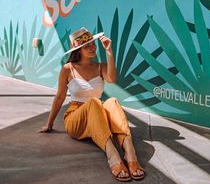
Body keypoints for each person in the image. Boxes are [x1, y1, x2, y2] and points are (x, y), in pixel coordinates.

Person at [39, 27, 145, 182]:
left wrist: (109, 51)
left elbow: (111, 79)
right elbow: (60, 96)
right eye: (87, 46)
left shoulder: (100, 66)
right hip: (76, 119)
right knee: (95, 102)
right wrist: (49, 124)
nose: (92, 47)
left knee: (112, 101)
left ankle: (130, 154)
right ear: (78, 50)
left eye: (93, 44)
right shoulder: (68, 69)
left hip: (98, 115)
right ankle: (113, 155)